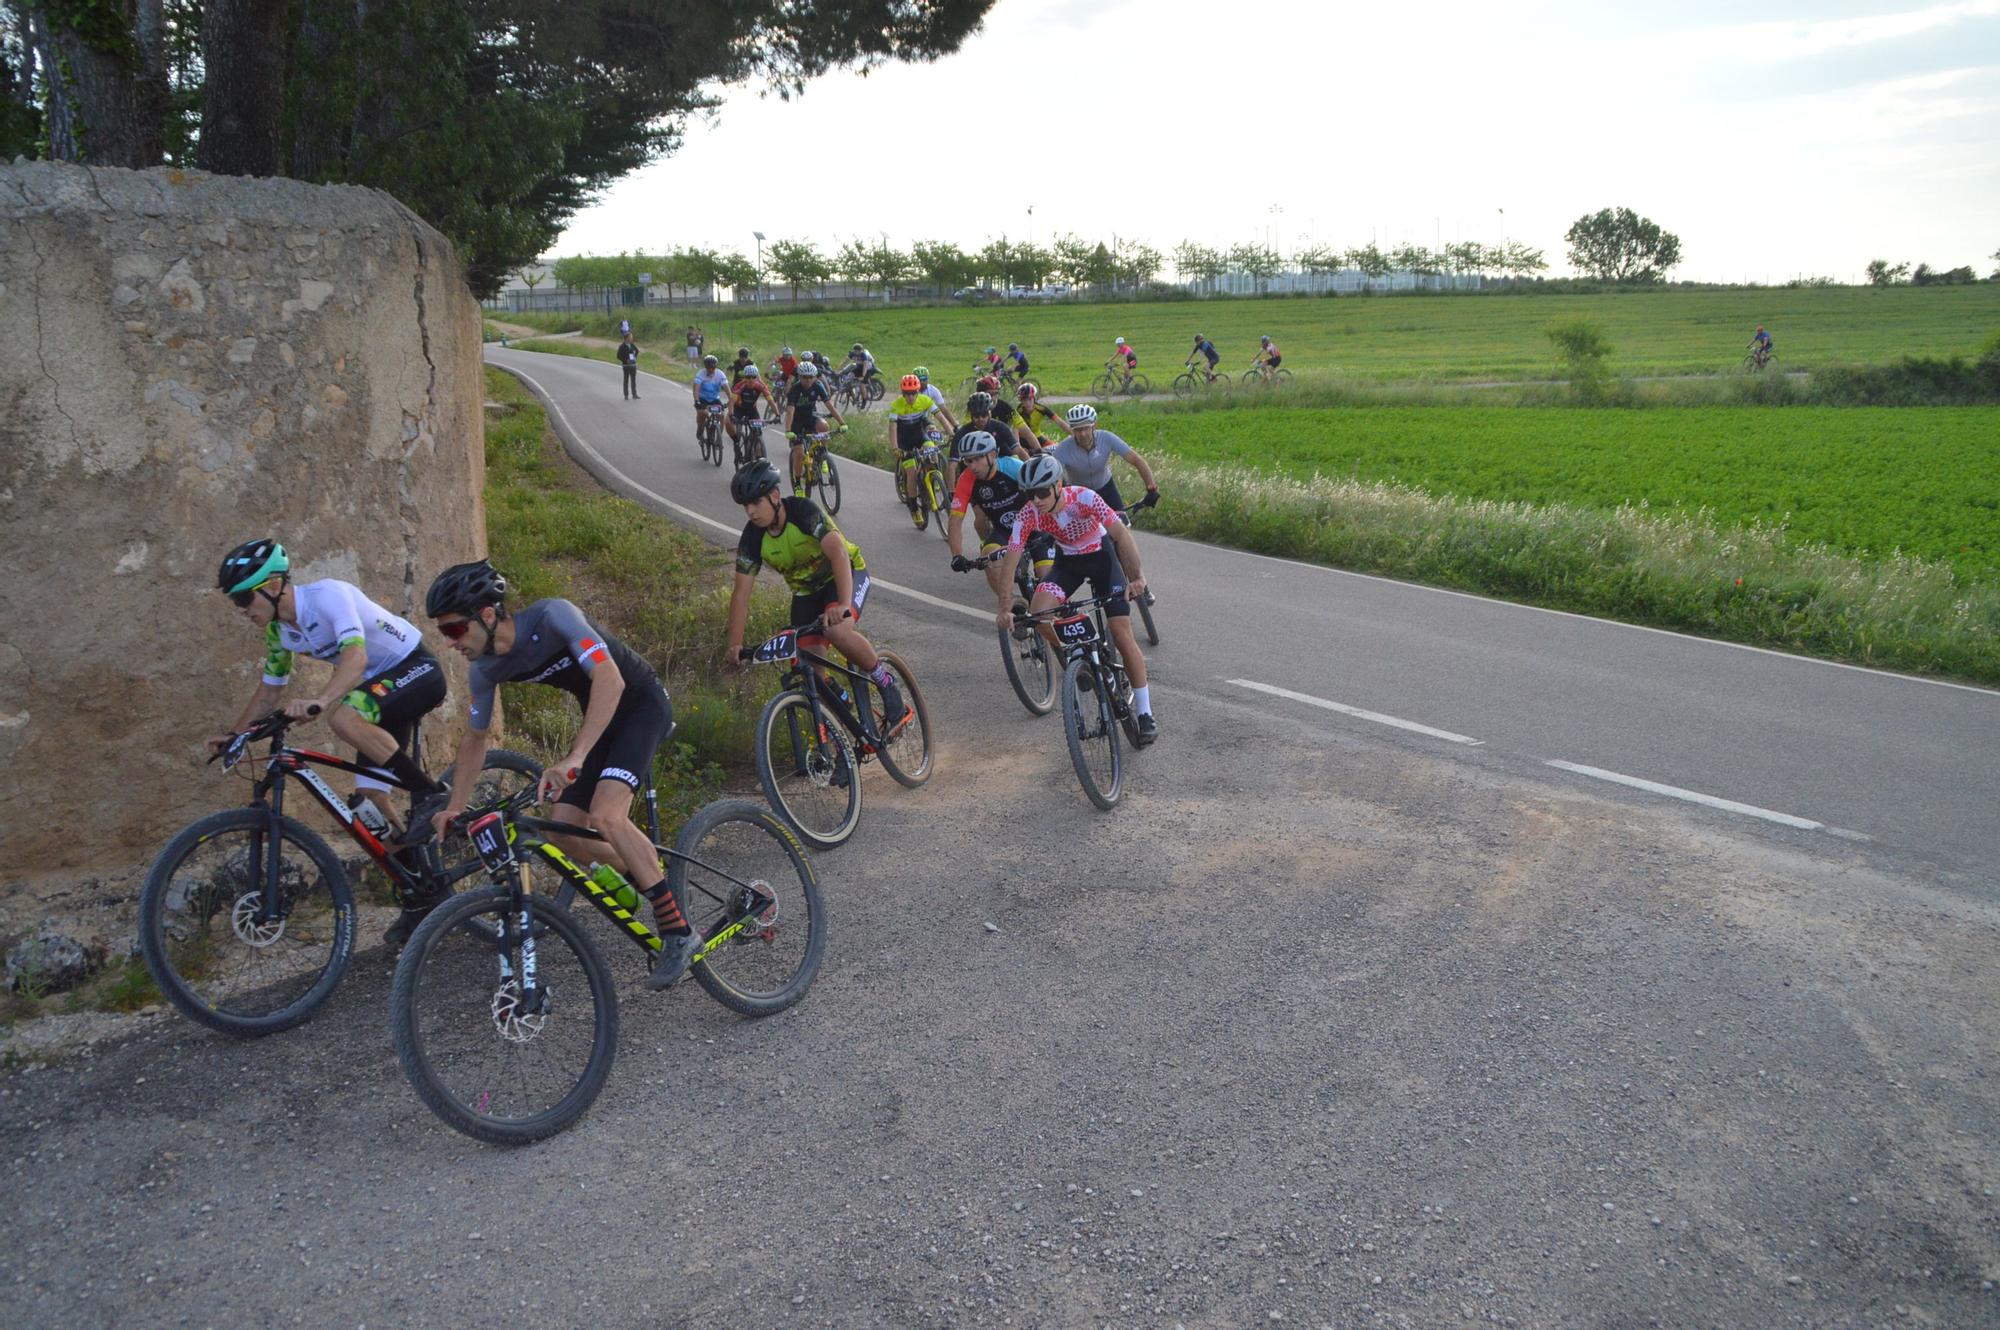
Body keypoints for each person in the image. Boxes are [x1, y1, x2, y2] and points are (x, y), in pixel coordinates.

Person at [414, 561, 699, 990]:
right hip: (602, 720)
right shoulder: (486, 669)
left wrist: (576, 756)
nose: (451, 643)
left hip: (638, 702)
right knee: (563, 832)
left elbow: (609, 677)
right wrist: (455, 806)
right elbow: (475, 739)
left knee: (606, 814)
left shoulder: (553, 616)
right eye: (443, 634)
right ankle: (649, 873)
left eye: (454, 630)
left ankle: (677, 931)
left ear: (487, 615)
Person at [207, 539, 450, 945]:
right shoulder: (279, 634)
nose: (242, 610)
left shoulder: (328, 597)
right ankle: (424, 897)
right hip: (380, 695)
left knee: (344, 716)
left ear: (272, 586)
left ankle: (430, 795)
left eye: (243, 598)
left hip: (415, 669)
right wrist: (236, 736)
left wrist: (321, 700)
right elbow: (269, 693)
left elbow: (354, 659)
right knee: (370, 806)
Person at [723, 461, 908, 737]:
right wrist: (735, 645)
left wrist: (844, 605)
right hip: (807, 594)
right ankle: (844, 744)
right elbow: (741, 594)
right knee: (810, 671)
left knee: (838, 631)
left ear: (775, 496)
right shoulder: (752, 538)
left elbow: (839, 554)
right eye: (745, 506)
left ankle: (885, 683)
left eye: (756, 503)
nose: (750, 511)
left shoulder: (803, 512)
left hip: (845, 574)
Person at [991, 455, 1157, 744]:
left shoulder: (1084, 498)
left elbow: (1121, 535)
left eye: (1042, 492)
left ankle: (1144, 712)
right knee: (1039, 613)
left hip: (1102, 559)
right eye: (1030, 494)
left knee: (1120, 632)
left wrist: (1136, 577)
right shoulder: (1029, 513)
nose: (1037, 500)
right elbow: (1012, 557)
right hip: (1069, 564)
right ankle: (1076, 655)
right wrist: (1005, 606)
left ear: (1057, 485)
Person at [946, 430, 1050, 606]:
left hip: (1036, 527)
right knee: (988, 558)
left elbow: (1048, 497)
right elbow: (955, 520)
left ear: (993, 455)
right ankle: (1014, 604)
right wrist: (957, 555)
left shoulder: (1014, 467)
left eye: (977, 459)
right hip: (1004, 531)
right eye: (968, 460)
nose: (972, 466)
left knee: (1047, 577)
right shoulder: (966, 480)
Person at [1050, 403, 1159, 516]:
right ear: (1072, 430)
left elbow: (1136, 460)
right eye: (1078, 430)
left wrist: (1151, 488)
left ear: (1094, 425)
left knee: (1122, 523)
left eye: (1086, 428)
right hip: (1079, 494)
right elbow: (1051, 478)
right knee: (1083, 531)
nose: (1083, 434)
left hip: (1106, 488)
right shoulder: (1063, 449)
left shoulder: (1106, 438)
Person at [887, 373, 951, 519]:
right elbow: (893, 429)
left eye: (913, 393)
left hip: (919, 435)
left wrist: (951, 433)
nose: (910, 397)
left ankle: (933, 478)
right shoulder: (896, 406)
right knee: (911, 472)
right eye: (907, 394)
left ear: (918, 391)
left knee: (932, 451)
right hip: (904, 441)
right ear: (903, 394)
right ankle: (914, 508)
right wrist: (895, 448)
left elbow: (941, 417)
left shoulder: (925, 400)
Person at [785, 361, 848, 494]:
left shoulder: (818, 385)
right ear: (800, 377)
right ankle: (797, 483)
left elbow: (830, 405)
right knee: (799, 453)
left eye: (811, 377)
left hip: (809, 416)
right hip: (796, 421)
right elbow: (790, 412)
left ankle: (822, 454)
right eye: (804, 377)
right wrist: (788, 431)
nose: (808, 380)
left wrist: (842, 423)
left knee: (824, 426)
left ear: (815, 377)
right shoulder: (795, 390)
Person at [725, 364, 779, 456]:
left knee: (757, 433)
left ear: (756, 377)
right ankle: (736, 442)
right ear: (744, 377)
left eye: (753, 377)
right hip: (738, 408)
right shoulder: (740, 385)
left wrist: (777, 415)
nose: (750, 380)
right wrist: (731, 414)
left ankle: (758, 458)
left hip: (751, 409)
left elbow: (770, 401)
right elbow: (732, 401)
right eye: (748, 377)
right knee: (728, 422)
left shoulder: (761, 385)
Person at [1014, 382, 1064, 448]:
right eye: (1024, 400)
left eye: (1030, 399)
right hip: (1022, 439)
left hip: (1037, 436)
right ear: (1021, 400)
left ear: (1034, 398)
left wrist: (1073, 433)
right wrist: (1018, 446)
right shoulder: (1019, 410)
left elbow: (1059, 422)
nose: (1027, 403)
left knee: (1056, 448)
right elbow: (1015, 429)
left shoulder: (1041, 409)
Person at [912, 367, 961, 433]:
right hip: (910, 419)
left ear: (928, 379)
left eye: (924, 379)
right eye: (919, 379)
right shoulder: (910, 392)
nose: (922, 381)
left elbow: (943, 410)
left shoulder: (932, 390)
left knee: (931, 429)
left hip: (923, 419)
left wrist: (955, 426)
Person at [691, 353, 729, 436]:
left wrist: (730, 400)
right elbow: (696, 388)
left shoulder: (720, 374)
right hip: (702, 399)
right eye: (709, 368)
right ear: (705, 367)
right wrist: (697, 401)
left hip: (714, 399)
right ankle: (700, 426)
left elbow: (726, 387)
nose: (711, 369)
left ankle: (719, 437)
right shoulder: (701, 374)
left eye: (713, 367)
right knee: (703, 413)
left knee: (721, 415)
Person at [617, 332, 640, 399]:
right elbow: (618, 356)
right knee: (626, 380)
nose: (631, 338)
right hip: (626, 366)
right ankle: (626, 395)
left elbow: (637, 351)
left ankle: (634, 394)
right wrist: (625, 360)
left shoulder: (632, 345)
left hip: (633, 364)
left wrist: (634, 357)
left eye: (631, 337)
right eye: (630, 337)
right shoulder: (622, 346)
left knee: (633, 380)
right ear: (626, 338)